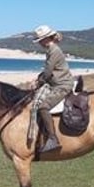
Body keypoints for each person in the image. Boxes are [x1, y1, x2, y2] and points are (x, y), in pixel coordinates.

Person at [32, 24, 73, 153]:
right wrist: (38, 79)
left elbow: (48, 71)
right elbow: (47, 70)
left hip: (62, 85)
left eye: (40, 40)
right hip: (57, 83)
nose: (39, 43)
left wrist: (38, 83)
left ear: (45, 39)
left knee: (43, 106)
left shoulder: (54, 50)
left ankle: (53, 138)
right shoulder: (51, 50)